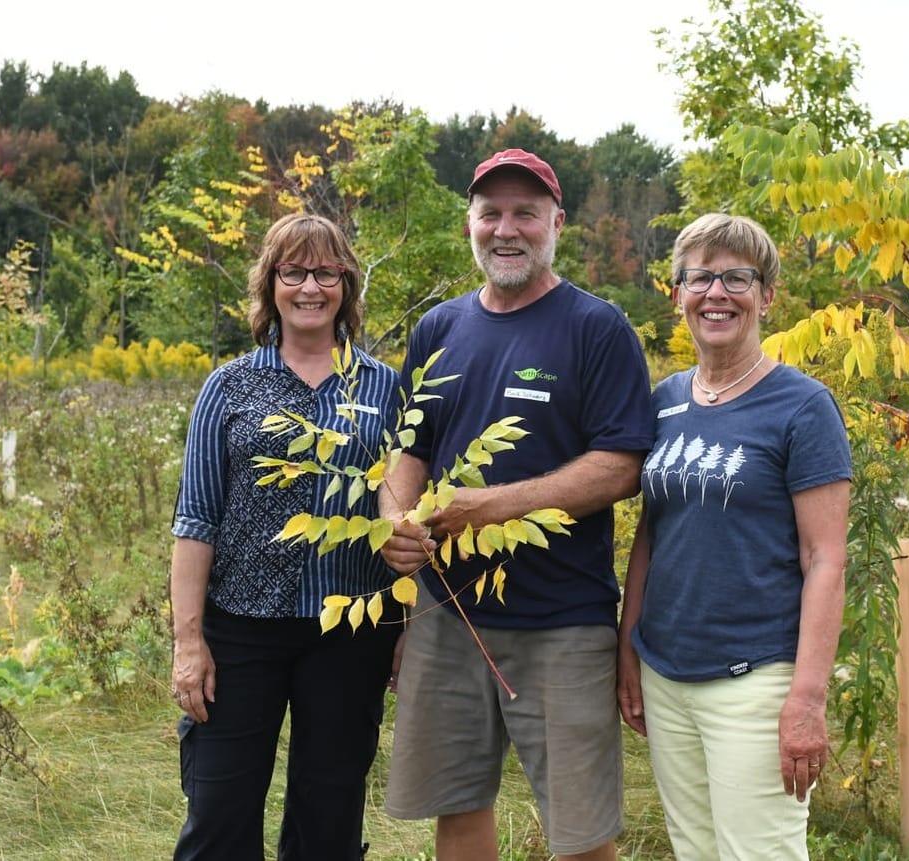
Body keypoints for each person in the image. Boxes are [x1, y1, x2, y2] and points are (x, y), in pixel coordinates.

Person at [378, 148, 655, 861]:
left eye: (524, 213)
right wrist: (394, 524)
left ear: (556, 222)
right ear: (469, 223)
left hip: (561, 621)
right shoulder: (438, 329)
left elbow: (621, 464)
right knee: (458, 803)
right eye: (490, 212)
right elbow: (408, 449)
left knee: (580, 828)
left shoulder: (596, 328)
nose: (506, 228)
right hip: (449, 618)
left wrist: (493, 507)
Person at [616, 213, 852, 860]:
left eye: (736, 277)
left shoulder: (801, 406)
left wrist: (806, 698)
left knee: (760, 852)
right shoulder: (663, 399)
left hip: (754, 677)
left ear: (766, 295)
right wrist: (627, 647)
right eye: (699, 277)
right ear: (677, 294)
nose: (715, 292)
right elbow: (650, 534)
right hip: (666, 671)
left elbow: (825, 557)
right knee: (695, 849)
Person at [168, 212, 402, 860]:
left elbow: (403, 513)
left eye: (325, 271)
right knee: (218, 813)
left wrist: (409, 625)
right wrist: (189, 642)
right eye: (293, 271)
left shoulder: (383, 388)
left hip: (350, 630)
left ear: (346, 284)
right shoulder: (229, 386)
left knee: (327, 819)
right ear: (269, 283)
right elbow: (195, 521)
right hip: (239, 627)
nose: (310, 286)